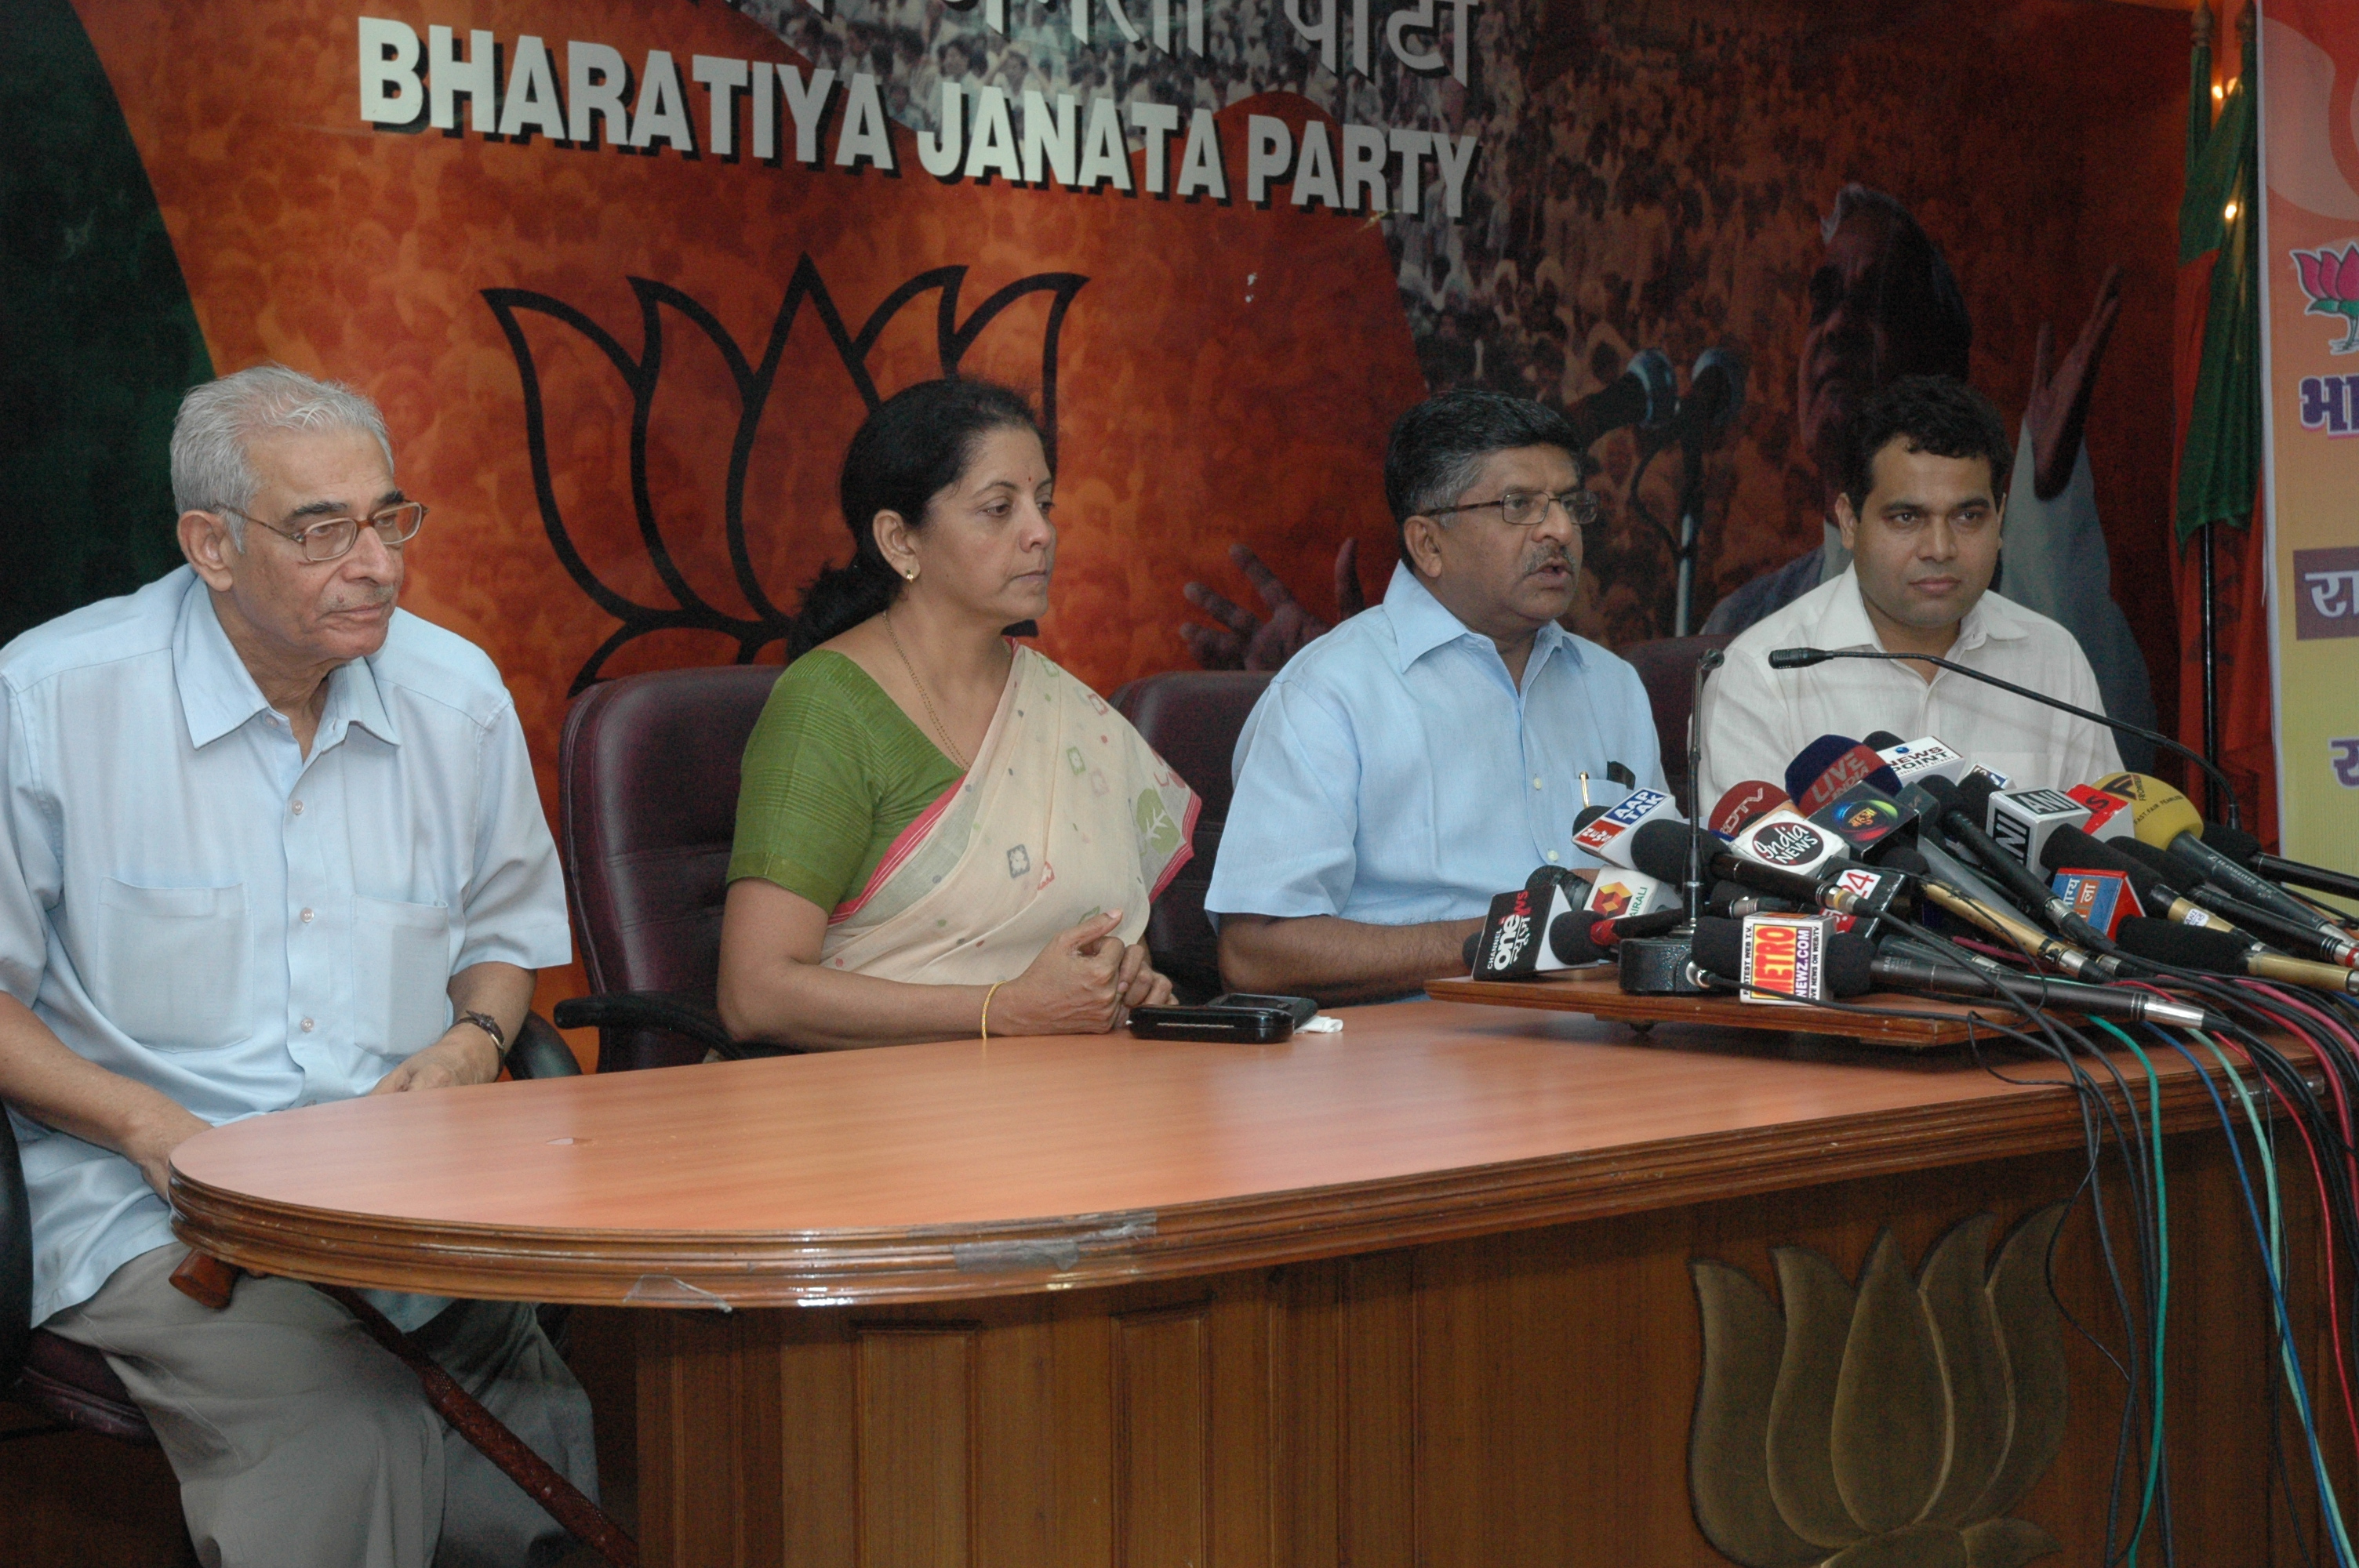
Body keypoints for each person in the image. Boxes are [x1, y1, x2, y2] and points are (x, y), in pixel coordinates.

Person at [0, 364, 594, 1566]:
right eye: (323, 530)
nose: (377, 564)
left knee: (541, 1442)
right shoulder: (53, 700)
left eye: (389, 518)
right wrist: (146, 1126)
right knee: (345, 1421)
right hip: (148, 1205)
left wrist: (471, 1044)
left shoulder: (455, 694)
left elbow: (499, 943)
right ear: (210, 545)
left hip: (404, 1206)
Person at [1181, 184, 2157, 768]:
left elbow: (2125, 776)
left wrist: (2046, 498)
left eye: (1876, 300)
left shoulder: (2043, 637)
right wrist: (1379, 684)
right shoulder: (1743, 635)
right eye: (1823, 300)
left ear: (1939, 351)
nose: (1837, 327)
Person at [717, 379, 1194, 1050]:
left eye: (1045, 504)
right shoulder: (826, 706)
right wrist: (1005, 1009)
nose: (1041, 534)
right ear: (900, 541)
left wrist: (1120, 980)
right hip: (859, 1114)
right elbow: (754, 994)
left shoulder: (1063, 710)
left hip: (1056, 1094)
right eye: (999, 509)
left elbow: (1099, 940)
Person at [1206, 390, 1664, 1005]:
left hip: (1609, 1048)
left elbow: (1661, 888)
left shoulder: (1611, 686)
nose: (1558, 530)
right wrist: (1515, 938)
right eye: (1519, 505)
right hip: (1410, 1071)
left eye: (1568, 503)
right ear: (1428, 544)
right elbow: (1255, 953)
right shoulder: (1329, 694)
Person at [1696, 375, 2121, 806]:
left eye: (1968, 517)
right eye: (1906, 518)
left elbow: (2100, 852)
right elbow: (1754, 865)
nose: (1940, 549)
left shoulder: (2053, 657)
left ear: (2000, 520)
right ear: (1849, 522)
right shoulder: (1761, 676)